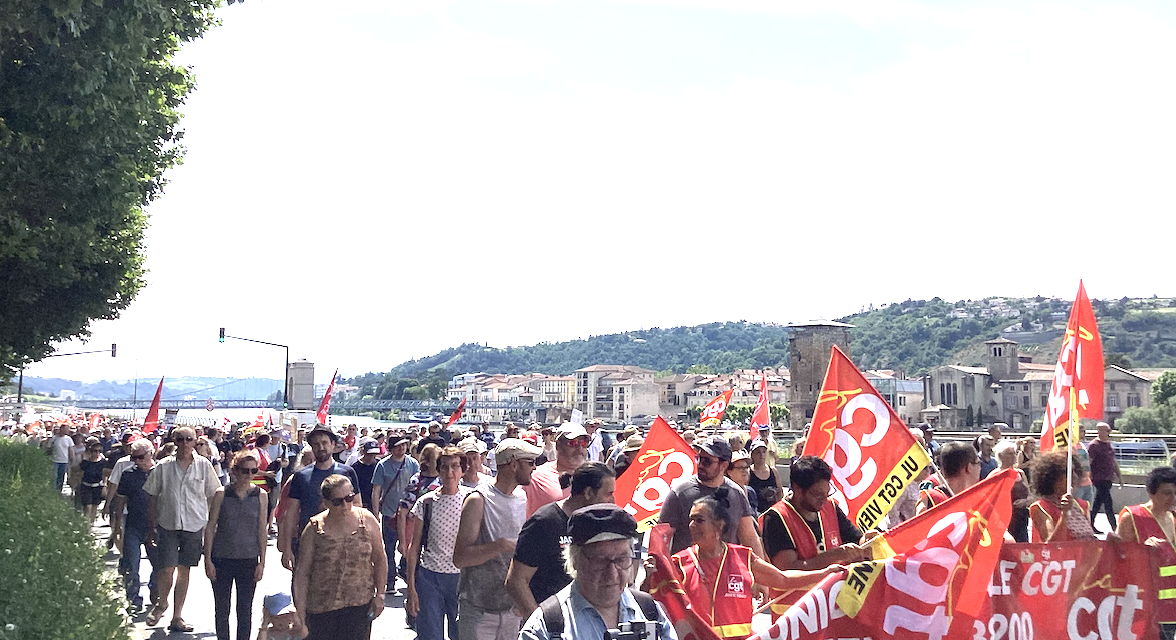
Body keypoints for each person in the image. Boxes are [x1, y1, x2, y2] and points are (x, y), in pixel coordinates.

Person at [653, 490, 842, 639]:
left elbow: (782, 579)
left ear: (719, 526)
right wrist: (651, 572)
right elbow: (657, 600)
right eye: (690, 520)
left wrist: (826, 573)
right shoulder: (679, 562)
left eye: (699, 520)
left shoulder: (742, 557)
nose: (692, 526)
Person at [518, 504, 676, 640]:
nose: (612, 573)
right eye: (600, 561)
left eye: (621, 560)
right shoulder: (547, 626)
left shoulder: (650, 612)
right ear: (575, 561)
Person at [453, 438, 542, 640]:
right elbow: (460, 558)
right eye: (530, 462)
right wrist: (501, 546)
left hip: (511, 610)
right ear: (513, 464)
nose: (534, 468)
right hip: (479, 610)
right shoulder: (478, 499)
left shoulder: (522, 498)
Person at [759, 455, 867, 619]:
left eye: (827, 492)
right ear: (797, 489)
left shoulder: (830, 506)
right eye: (817, 494)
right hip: (794, 615)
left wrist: (868, 540)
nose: (823, 499)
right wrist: (834, 556)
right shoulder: (776, 518)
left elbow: (856, 538)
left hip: (829, 609)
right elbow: (787, 569)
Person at [507, 462, 616, 617]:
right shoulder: (543, 523)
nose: (613, 499)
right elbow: (516, 581)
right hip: (553, 621)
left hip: (586, 619)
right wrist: (543, 624)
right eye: (608, 493)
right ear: (588, 493)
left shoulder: (598, 523)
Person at [143, 426, 222, 631]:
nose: (185, 443)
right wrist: (151, 525)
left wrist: (213, 523)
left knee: (184, 570)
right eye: (180, 439)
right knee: (166, 568)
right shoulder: (163, 466)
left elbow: (214, 494)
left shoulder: (204, 465)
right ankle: (162, 603)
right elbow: (152, 495)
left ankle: (177, 617)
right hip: (168, 523)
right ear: (174, 441)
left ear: (195, 441)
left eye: (189, 439)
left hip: (194, 524)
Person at [293, 474, 387, 640]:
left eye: (349, 498)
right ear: (326, 502)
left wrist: (380, 595)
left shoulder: (367, 520)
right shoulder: (314, 528)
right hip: (321, 608)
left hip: (359, 606)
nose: (345, 505)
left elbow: (380, 559)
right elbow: (302, 573)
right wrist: (300, 613)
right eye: (337, 501)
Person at [658, 435, 765, 558]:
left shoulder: (737, 493)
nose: (700, 465)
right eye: (699, 458)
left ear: (724, 466)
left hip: (726, 573)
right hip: (689, 573)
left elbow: (749, 538)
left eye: (707, 461)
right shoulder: (680, 493)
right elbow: (661, 538)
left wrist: (762, 573)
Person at [405, 446, 470, 640]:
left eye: (455, 467)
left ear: (462, 470)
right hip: (430, 577)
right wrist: (411, 587)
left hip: (462, 578)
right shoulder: (426, 502)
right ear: (438, 470)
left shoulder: (471, 500)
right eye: (444, 467)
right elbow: (414, 547)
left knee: (460, 634)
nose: (449, 472)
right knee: (430, 634)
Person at [204, 450, 269, 640]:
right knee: (222, 608)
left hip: (248, 558)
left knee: (245, 610)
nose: (249, 475)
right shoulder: (222, 494)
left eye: (253, 471)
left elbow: (261, 530)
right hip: (222, 558)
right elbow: (210, 527)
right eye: (244, 471)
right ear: (235, 470)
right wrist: (208, 559)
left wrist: (262, 562)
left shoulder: (260, 495)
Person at [280, 425, 360, 573]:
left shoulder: (347, 472)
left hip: (342, 542)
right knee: (304, 589)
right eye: (316, 444)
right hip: (308, 543)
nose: (321, 447)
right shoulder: (301, 476)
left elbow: (358, 506)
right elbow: (290, 514)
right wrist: (286, 549)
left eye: (324, 443)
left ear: (333, 445)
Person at [1116, 466, 1176, 636]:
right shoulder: (1133, 517)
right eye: (1167, 493)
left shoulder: (1173, 518)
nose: (1173, 498)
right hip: (1146, 605)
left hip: (1171, 608)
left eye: (1175, 493)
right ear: (1152, 493)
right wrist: (1141, 549)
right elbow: (1117, 557)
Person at [114, 438, 158, 612]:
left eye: (140, 457)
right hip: (133, 524)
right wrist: (117, 525)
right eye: (134, 457)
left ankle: (155, 588)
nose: (137, 461)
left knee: (160, 564)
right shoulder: (128, 474)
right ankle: (134, 600)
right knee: (132, 564)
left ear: (150, 454)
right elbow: (121, 499)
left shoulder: (160, 472)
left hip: (155, 525)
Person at [370, 434, 418, 592]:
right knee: (389, 549)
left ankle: (406, 573)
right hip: (390, 514)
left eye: (404, 444)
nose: (402, 447)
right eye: (398, 445)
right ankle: (390, 581)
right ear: (391, 448)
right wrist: (376, 513)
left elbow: (419, 488)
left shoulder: (413, 464)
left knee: (410, 548)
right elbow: (376, 491)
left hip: (410, 516)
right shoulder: (382, 465)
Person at [1029, 450, 1105, 542]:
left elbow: (1089, 541)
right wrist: (1064, 514)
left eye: (1075, 472)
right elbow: (1051, 545)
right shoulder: (1041, 507)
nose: (1074, 477)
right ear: (1053, 477)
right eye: (1068, 472)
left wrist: (1108, 542)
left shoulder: (1082, 506)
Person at [523, 422, 590, 517]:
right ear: (558, 445)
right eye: (572, 442)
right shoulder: (535, 478)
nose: (579, 448)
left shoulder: (595, 476)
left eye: (584, 442)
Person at [917, 442, 982, 514]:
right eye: (978, 463)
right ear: (969, 467)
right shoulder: (933, 499)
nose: (980, 468)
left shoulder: (977, 499)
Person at [991, 440, 1031, 542]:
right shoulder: (995, 475)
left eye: (1014, 453)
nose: (1013, 456)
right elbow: (989, 498)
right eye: (1009, 453)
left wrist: (1025, 502)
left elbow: (1030, 495)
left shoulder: (1020, 473)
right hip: (1004, 519)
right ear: (1000, 456)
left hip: (1021, 518)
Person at [1088, 421, 1123, 533]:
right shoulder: (1094, 445)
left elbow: (1113, 461)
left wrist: (1119, 476)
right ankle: (1115, 527)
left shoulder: (1108, 445)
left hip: (1108, 478)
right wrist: (1088, 476)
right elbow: (1089, 462)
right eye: (1105, 430)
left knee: (1097, 503)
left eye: (1108, 431)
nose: (1108, 433)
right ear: (1099, 431)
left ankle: (1090, 524)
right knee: (1108, 503)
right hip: (1099, 478)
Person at [747, 440, 781, 515]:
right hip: (756, 514)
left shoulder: (773, 471)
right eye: (758, 452)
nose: (761, 455)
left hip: (773, 513)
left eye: (764, 452)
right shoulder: (748, 473)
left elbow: (780, 491)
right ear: (752, 455)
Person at [79, 437, 107, 526]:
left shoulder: (103, 462)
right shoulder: (86, 462)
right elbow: (80, 473)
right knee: (88, 507)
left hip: (97, 486)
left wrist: (104, 487)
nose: (97, 453)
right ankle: (86, 527)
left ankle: (91, 525)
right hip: (86, 486)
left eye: (99, 451)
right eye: (95, 451)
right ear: (91, 452)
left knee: (95, 507)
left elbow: (104, 475)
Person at [351, 440, 382, 512]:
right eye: (370, 454)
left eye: (375, 454)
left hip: (375, 501)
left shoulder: (379, 464)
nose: (372, 456)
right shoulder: (355, 467)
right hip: (361, 501)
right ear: (363, 452)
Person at [725, 450, 757, 514]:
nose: (745, 470)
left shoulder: (750, 492)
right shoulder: (725, 494)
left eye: (746, 467)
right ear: (729, 472)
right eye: (741, 468)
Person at [49, 423, 73, 493]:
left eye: (67, 429)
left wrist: (71, 459)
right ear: (61, 429)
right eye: (65, 429)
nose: (66, 431)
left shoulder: (68, 439)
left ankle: (59, 491)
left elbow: (70, 449)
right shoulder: (54, 438)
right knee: (54, 476)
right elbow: (49, 448)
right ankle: (53, 490)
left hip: (64, 461)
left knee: (61, 477)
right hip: (54, 460)